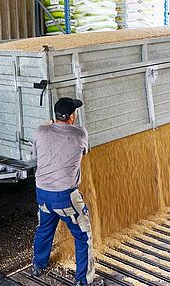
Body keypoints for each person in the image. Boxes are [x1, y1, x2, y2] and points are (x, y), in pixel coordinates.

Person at [31, 97, 103, 286]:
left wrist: (47, 127)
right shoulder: (80, 134)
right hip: (65, 197)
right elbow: (84, 152)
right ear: (72, 116)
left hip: (42, 193)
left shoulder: (40, 131)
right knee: (83, 235)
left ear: (55, 115)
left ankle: (38, 265)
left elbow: (37, 154)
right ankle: (84, 280)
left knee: (44, 229)